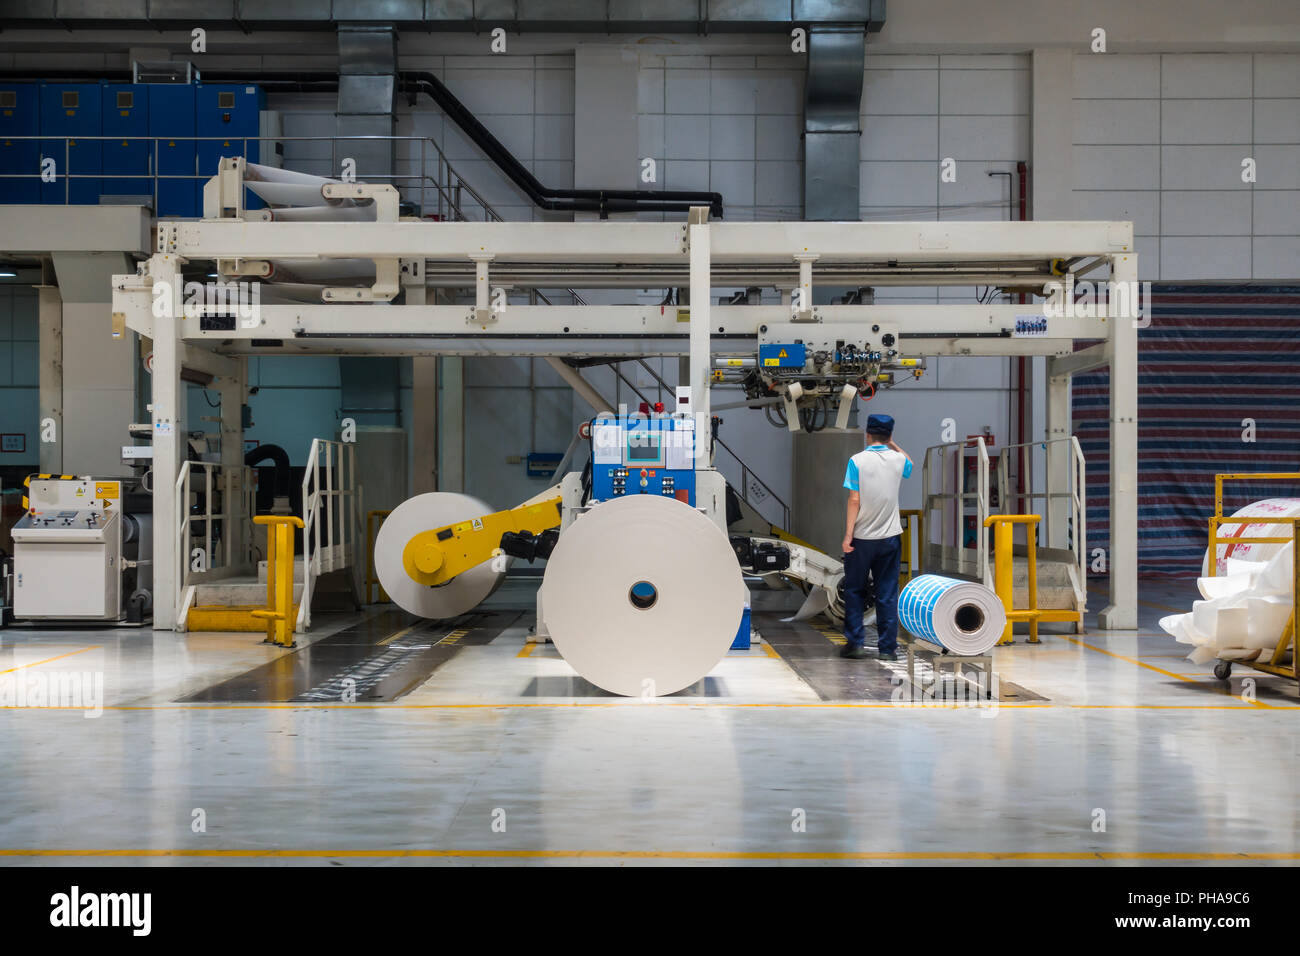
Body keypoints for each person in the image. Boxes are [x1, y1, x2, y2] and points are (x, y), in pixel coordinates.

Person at [840, 414, 912, 661]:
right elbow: (909, 462)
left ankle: (856, 644)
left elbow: (854, 500)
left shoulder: (857, 461)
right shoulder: (899, 460)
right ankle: (887, 649)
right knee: (887, 592)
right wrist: (893, 444)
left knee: (854, 590)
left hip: (862, 538)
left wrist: (848, 536)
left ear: (867, 434)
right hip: (890, 538)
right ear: (889, 435)